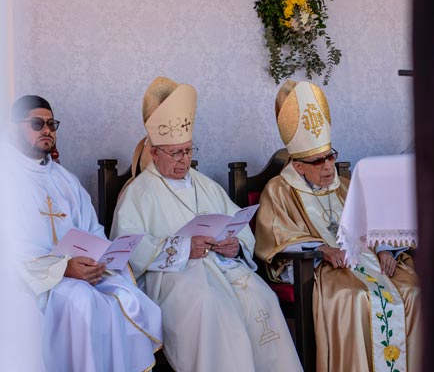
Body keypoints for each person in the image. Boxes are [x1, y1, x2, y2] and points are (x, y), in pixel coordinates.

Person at [111, 76, 303, 372]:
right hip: (173, 278)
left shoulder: (205, 184)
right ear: (154, 152)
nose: (184, 160)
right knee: (214, 309)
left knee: (263, 299)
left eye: (188, 151)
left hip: (223, 267)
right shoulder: (137, 193)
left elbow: (238, 225)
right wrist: (184, 248)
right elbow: (127, 250)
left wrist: (235, 246)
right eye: (175, 153)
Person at [254, 80, 421, 372]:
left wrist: (384, 249)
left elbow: (376, 221)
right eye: (318, 161)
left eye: (331, 156)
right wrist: (322, 249)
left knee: (416, 291)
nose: (328, 167)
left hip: (369, 261)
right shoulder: (278, 189)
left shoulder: (345, 184)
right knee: (354, 299)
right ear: (298, 165)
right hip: (324, 269)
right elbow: (275, 238)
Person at [8, 95, 163, 372]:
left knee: (126, 296)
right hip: (33, 281)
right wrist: (63, 269)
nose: (47, 130)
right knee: (81, 300)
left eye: (52, 124)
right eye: (37, 124)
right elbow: (9, 249)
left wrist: (99, 259)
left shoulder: (66, 180)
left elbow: (93, 230)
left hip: (79, 274)